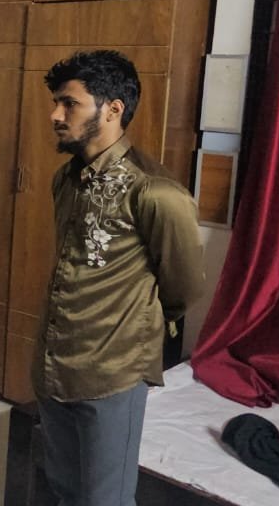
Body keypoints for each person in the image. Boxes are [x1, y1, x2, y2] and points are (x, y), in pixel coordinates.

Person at [35, 50, 203, 506]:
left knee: (105, 499)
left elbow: (183, 288)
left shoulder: (154, 191)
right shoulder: (66, 179)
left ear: (112, 109)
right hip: (54, 363)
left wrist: (136, 325)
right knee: (62, 488)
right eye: (56, 102)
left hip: (112, 371)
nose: (55, 115)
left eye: (69, 103)